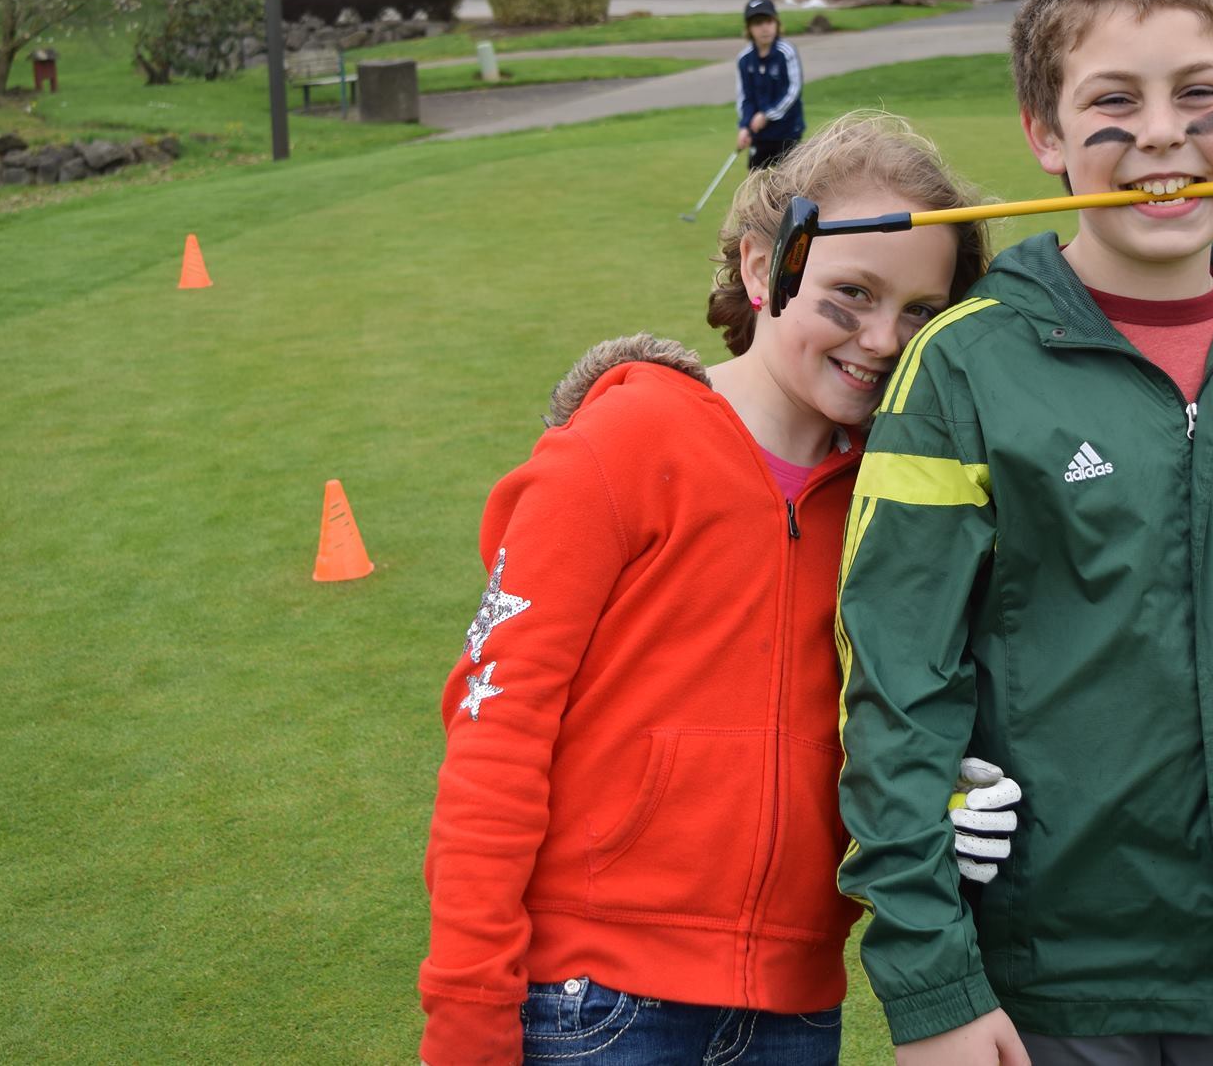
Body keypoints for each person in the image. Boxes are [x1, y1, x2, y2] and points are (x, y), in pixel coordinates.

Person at [832, 0, 1213, 1066]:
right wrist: (931, 983)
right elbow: (895, 693)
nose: (1160, 134)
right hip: (1054, 988)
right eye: (1113, 101)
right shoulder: (963, 369)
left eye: (1199, 95)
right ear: (1044, 135)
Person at [418, 114, 1000, 1066]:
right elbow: (497, 735)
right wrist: (468, 1016)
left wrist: (944, 792)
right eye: (852, 293)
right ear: (766, 269)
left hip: (795, 1012)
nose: (884, 339)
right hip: (592, 1007)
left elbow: (895, 723)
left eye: (920, 312)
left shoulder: (895, 502)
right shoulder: (624, 441)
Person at [735, 0, 806, 170]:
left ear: (776, 23)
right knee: (757, 184)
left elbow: (793, 90)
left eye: (768, 21)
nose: (764, 28)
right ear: (749, 28)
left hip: (788, 131)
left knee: (788, 185)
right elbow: (745, 97)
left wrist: (767, 114)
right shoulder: (744, 59)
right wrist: (745, 125)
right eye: (758, 23)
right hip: (760, 135)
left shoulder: (786, 52)